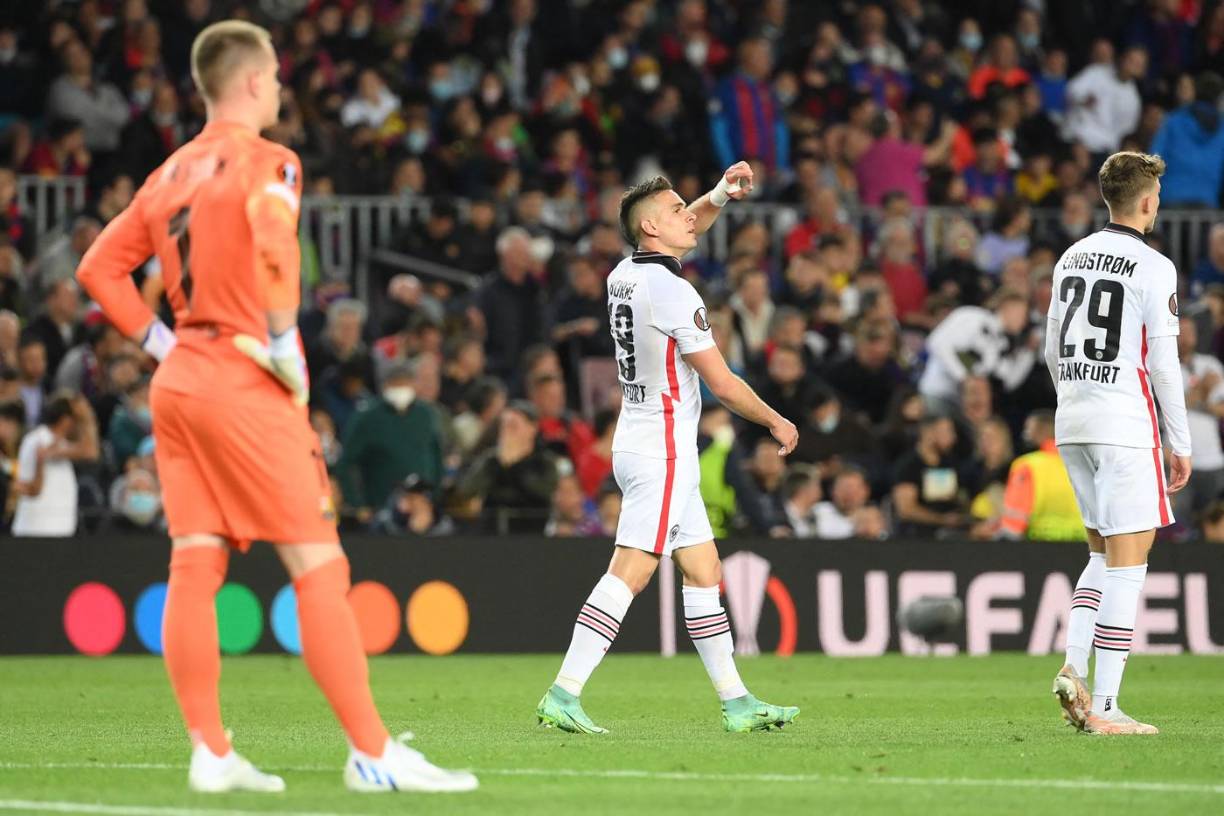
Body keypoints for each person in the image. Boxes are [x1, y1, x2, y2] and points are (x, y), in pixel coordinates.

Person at [75, 20, 476, 794]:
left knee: (194, 562)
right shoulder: (271, 161)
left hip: (181, 379)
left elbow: (99, 268)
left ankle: (212, 753)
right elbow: (272, 239)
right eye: (279, 77)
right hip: (242, 372)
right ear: (256, 81)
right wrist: (287, 340)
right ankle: (372, 755)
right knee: (318, 566)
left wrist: (161, 346)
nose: (283, 89)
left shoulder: (167, 174)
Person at [536, 165, 800, 736]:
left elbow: (677, 232)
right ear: (653, 226)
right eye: (679, 209)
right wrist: (776, 419)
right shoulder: (675, 293)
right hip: (664, 450)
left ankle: (737, 702)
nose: (691, 217)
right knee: (631, 571)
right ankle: (563, 691)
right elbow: (723, 383)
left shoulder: (624, 273)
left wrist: (717, 196)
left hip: (638, 437)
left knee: (704, 571)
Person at [1047, 151, 1191, 737]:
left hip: (1073, 418)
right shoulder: (1155, 267)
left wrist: (1072, 400)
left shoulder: (1070, 257)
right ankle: (1105, 707)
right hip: (1125, 426)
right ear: (1149, 201)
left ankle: (1072, 669)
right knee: (1130, 567)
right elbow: (1164, 363)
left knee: (1100, 556)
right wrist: (1179, 442)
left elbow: (1053, 347)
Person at [12, 393, 99, 537]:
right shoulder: (39, 440)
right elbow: (90, 451)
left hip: (57, 531)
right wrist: (87, 419)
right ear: (66, 420)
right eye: (77, 419)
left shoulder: (60, 442)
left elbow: (90, 452)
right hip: (36, 531)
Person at [996, 411, 1084, 541]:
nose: (1025, 435)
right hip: (1084, 548)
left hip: (1040, 549)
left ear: (1041, 431)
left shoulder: (1027, 466)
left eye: (1028, 430)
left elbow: (1013, 524)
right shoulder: (1081, 463)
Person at [1174, 317, 1224, 521]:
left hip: (1213, 460)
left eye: (1190, 331)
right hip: (1178, 459)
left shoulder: (1210, 364)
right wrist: (1202, 389)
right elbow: (1169, 409)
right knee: (1179, 526)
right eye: (1181, 332)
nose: (1186, 337)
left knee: (1214, 524)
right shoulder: (1163, 365)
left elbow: (1221, 410)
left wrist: (1198, 399)